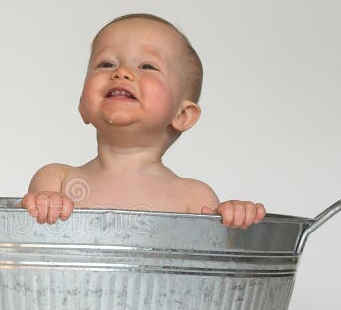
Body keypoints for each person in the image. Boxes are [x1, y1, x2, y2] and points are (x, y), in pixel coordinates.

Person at [21, 13, 266, 228]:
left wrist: (234, 219)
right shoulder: (56, 180)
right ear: (82, 107)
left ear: (182, 115)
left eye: (147, 66)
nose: (121, 72)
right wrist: (44, 206)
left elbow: (211, 267)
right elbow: (30, 244)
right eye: (106, 64)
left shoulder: (194, 196)